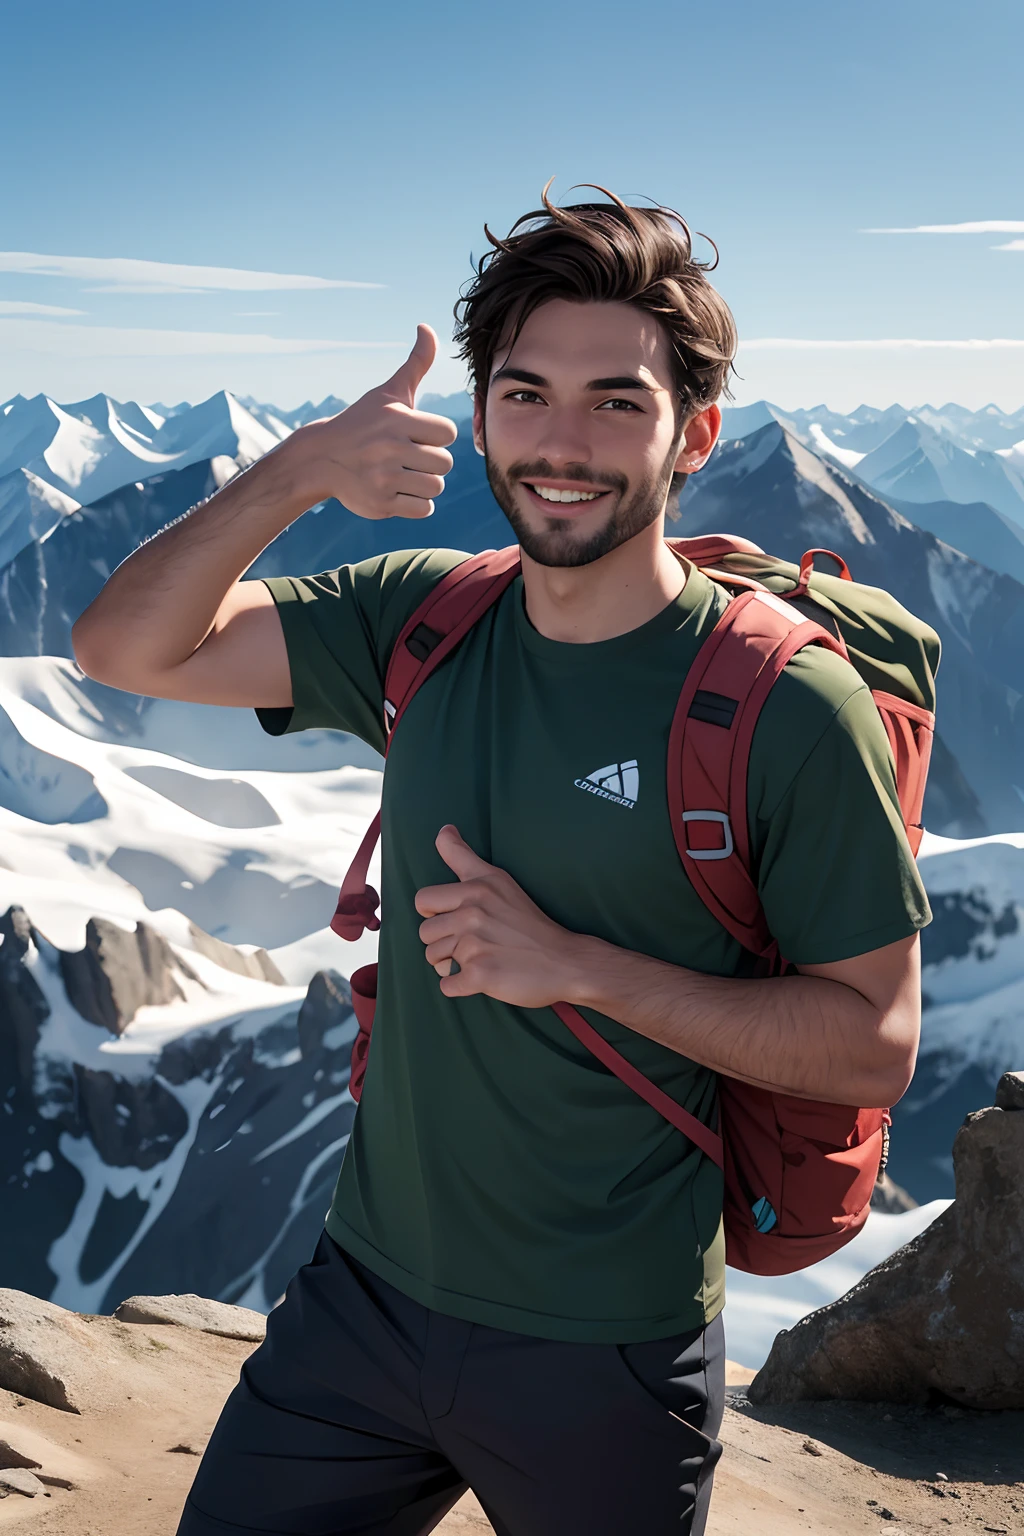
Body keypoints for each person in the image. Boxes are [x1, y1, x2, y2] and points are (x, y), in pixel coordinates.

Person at [73, 186, 929, 1536]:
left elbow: (872, 1041)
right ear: (479, 420)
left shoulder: (783, 707)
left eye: (616, 402)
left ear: (694, 433)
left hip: (610, 1345)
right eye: (524, 396)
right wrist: (299, 470)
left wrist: (577, 968)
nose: (562, 442)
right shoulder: (421, 617)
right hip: (359, 1307)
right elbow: (123, 647)